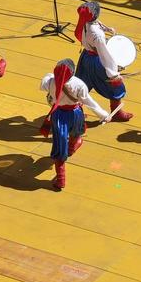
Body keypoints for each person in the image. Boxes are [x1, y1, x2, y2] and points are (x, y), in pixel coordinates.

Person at [40, 59, 109, 191]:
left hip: (59, 114)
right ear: (72, 72)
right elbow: (89, 102)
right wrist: (103, 115)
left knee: (59, 145)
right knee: (76, 132)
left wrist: (50, 76)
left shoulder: (50, 81)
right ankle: (72, 148)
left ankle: (61, 179)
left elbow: (44, 83)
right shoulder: (79, 84)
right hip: (75, 113)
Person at [72, 0, 134, 122]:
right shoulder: (97, 36)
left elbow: (96, 24)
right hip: (97, 61)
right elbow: (104, 55)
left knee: (81, 85)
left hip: (85, 58)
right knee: (115, 86)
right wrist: (114, 74)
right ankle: (117, 112)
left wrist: (107, 29)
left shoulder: (85, 22)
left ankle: (75, 113)